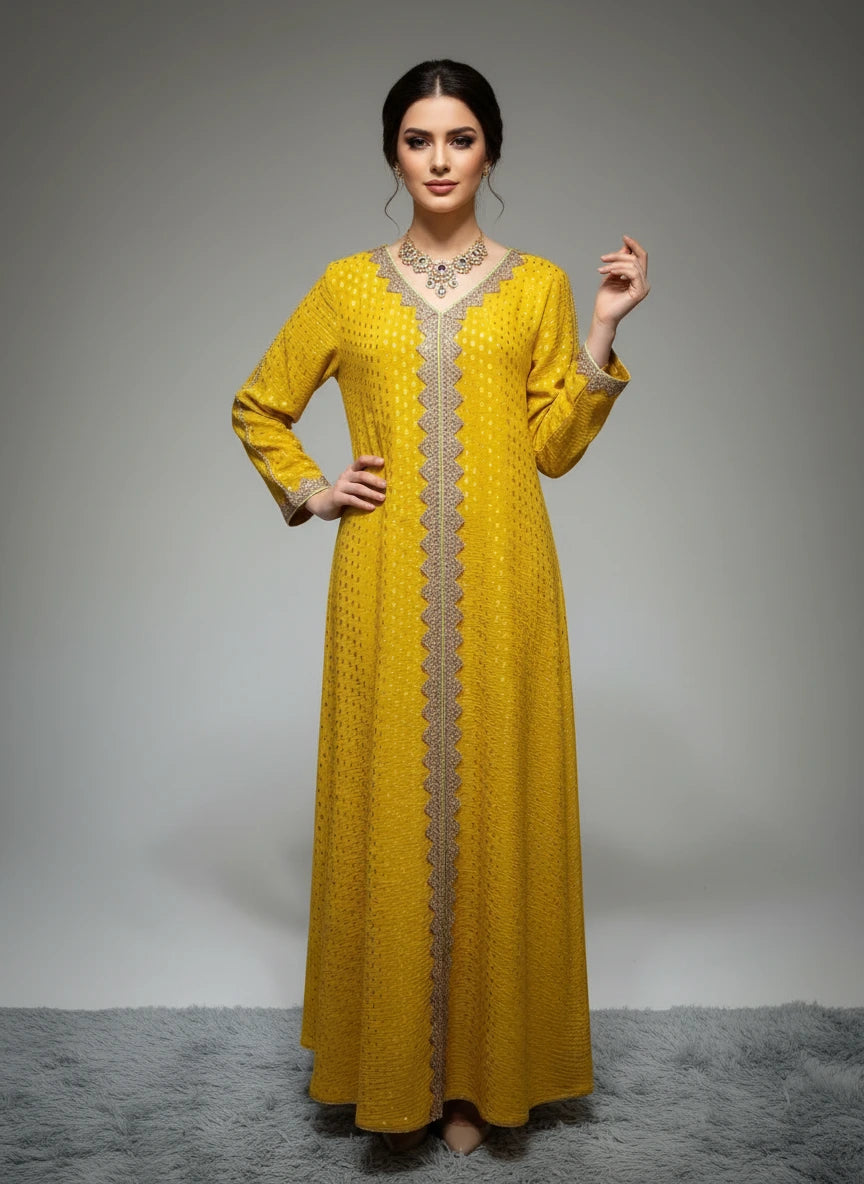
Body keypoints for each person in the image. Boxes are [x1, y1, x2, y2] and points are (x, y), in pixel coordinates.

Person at [232, 58, 650, 1158]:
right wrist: (313, 488)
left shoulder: (540, 285)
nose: (439, 159)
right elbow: (259, 403)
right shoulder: (345, 284)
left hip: (509, 581)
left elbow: (552, 446)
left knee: (493, 805)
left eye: (459, 139)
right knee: (397, 805)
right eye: (419, 140)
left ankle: (480, 1081)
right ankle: (394, 1075)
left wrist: (602, 330)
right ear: (393, 155)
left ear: (490, 152)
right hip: (381, 585)